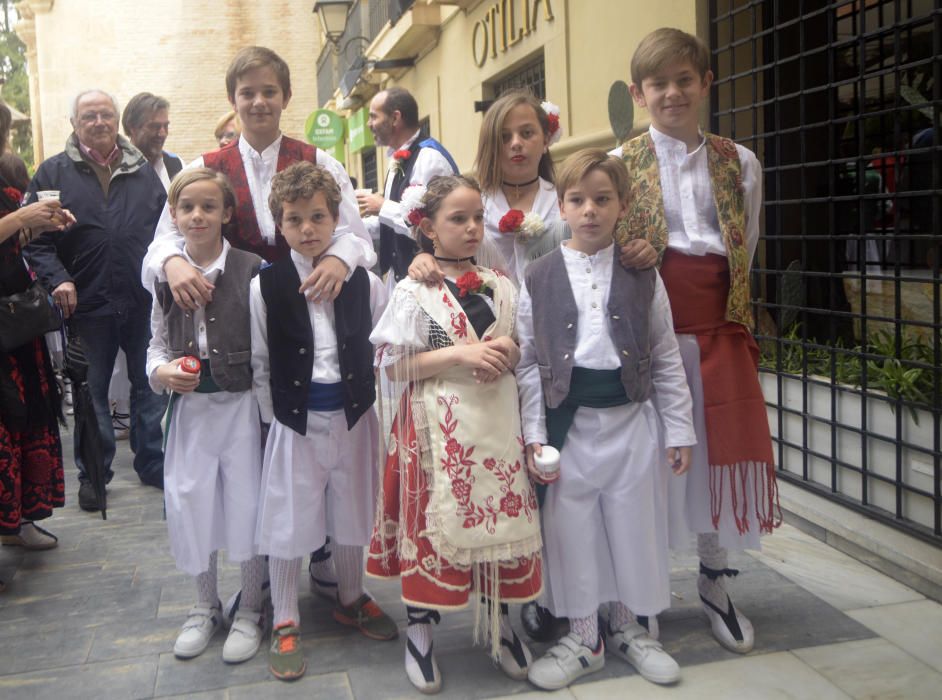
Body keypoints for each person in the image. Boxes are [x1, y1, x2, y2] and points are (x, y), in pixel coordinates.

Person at [614, 27, 779, 653]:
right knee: (653, 460)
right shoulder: (621, 164)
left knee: (715, 458)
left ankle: (714, 581)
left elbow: (746, 242)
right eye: (659, 83)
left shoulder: (740, 161)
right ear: (639, 92)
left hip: (718, 325)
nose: (673, 93)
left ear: (706, 83)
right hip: (652, 334)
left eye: (685, 79)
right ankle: (644, 589)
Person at [517, 149, 695, 689]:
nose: (590, 210)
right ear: (561, 208)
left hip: (632, 421)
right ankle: (583, 637)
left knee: (631, 525)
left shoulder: (643, 273)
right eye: (577, 200)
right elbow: (526, 361)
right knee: (572, 531)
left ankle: (627, 626)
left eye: (602, 199)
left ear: (622, 206)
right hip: (568, 426)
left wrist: (679, 428)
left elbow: (663, 353)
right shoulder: (539, 275)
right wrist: (534, 435)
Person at [367, 175, 542, 694]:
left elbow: (519, 346)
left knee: (501, 524)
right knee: (432, 527)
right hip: (433, 429)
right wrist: (462, 354)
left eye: (476, 219)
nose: (470, 228)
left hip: (495, 423)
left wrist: (507, 353)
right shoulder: (412, 288)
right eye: (456, 219)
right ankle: (420, 628)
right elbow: (393, 366)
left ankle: (499, 621)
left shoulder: (502, 282)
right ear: (427, 228)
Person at [250, 162, 396, 681]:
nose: (307, 228)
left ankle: (352, 595)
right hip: (298, 418)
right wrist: (276, 421)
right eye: (295, 219)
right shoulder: (264, 286)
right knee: (289, 516)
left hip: (354, 413)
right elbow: (262, 361)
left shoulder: (365, 282)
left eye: (317, 216)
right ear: (278, 226)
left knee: (354, 505)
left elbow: (383, 341)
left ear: (337, 218)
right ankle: (286, 615)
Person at [142, 46, 375, 311]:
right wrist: (172, 261)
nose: (259, 102)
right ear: (233, 100)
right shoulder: (204, 168)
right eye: (248, 93)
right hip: (229, 308)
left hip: (308, 304)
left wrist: (339, 258)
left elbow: (354, 234)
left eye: (269, 92)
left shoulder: (321, 163)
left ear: (286, 97)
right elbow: (163, 238)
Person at [24, 89, 168, 511]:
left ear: (117, 119)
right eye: (90, 116)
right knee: (91, 390)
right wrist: (59, 279)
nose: (100, 122)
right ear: (75, 124)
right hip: (85, 303)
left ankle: (152, 461)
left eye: (106, 114)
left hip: (141, 299)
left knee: (150, 385)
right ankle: (94, 473)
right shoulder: (52, 175)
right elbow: (36, 243)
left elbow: (165, 232)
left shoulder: (144, 172)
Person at [147, 168, 267, 663]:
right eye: (187, 207)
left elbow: (264, 352)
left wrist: (268, 415)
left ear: (227, 214)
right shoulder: (161, 274)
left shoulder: (250, 269)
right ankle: (203, 604)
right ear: (173, 216)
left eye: (209, 207)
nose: (198, 216)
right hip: (192, 412)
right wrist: (162, 372)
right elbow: (154, 343)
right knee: (193, 503)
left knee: (247, 504)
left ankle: (252, 607)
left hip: (240, 408)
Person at [0, 100, 74, 576]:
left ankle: (21, 519)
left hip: (14, 321)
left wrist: (40, 225)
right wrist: (26, 218)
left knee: (27, 421)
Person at [357, 86, 458, 284]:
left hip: (431, 279)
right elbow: (392, 224)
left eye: (373, 117)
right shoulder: (398, 158)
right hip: (401, 277)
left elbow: (432, 225)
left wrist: (382, 206)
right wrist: (352, 224)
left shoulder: (429, 159)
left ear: (395, 118)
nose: (369, 124)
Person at [122, 92, 183, 192]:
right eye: (155, 126)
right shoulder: (114, 168)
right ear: (132, 127)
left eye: (166, 126)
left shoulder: (176, 164)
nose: (162, 133)